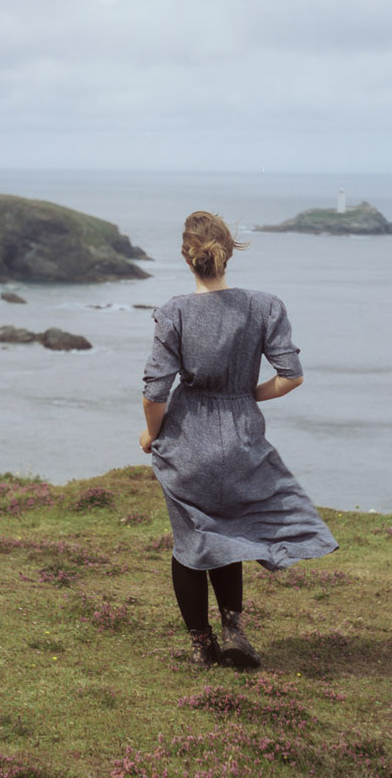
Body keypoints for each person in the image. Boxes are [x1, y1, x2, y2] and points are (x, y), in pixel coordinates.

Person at [140, 211, 339, 669]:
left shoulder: (174, 313)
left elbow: (155, 391)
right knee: (227, 535)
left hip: (188, 443)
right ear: (229, 252)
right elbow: (291, 377)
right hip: (242, 441)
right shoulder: (265, 306)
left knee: (191, 544)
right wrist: (242, 397)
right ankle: (234, 631)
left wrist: (152, 435)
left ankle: (201, 647)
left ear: (187, 258)